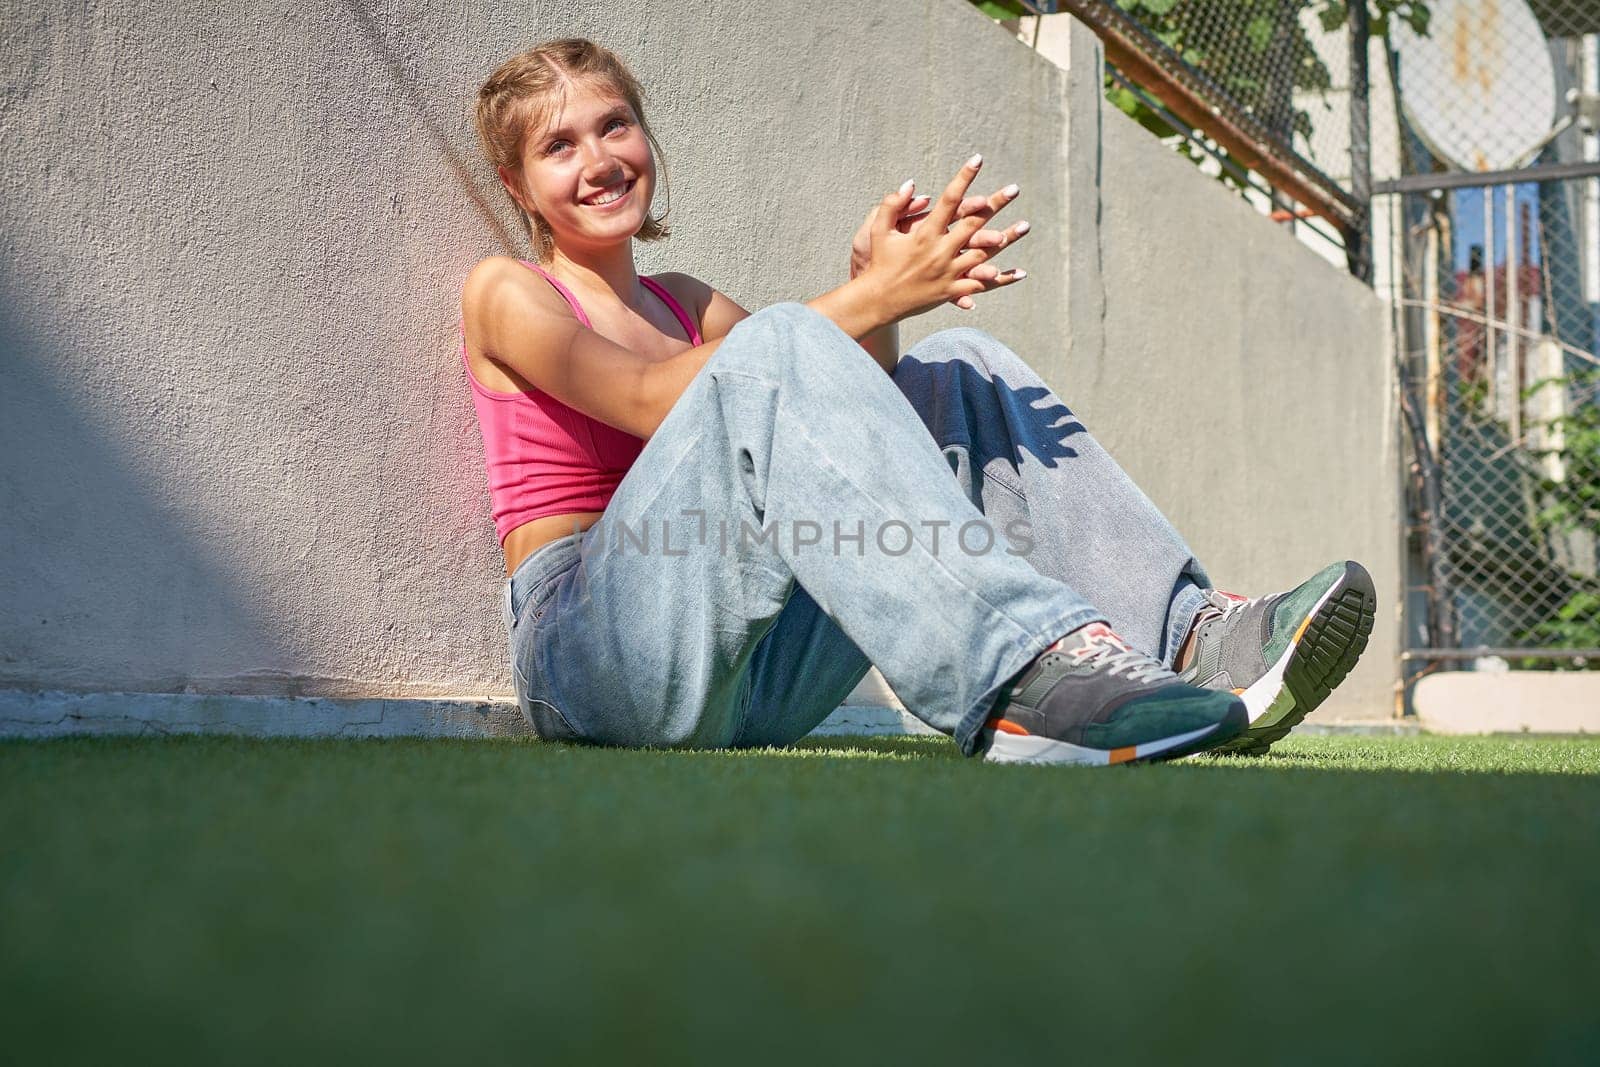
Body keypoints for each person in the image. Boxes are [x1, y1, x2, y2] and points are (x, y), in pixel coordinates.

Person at [459, 38, 1376, 765]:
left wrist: (874, 297)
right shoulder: (506, 292)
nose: (600, 158)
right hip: (594, 656)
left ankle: (1187, 641)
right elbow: (648, 398)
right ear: (517, 185)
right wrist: (870, 297)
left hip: (749, 673)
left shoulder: (685, 299)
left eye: (615, 126)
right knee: (779, 340)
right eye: (558, 145)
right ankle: (1026, 679)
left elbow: (858, 406)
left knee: (957, 364)